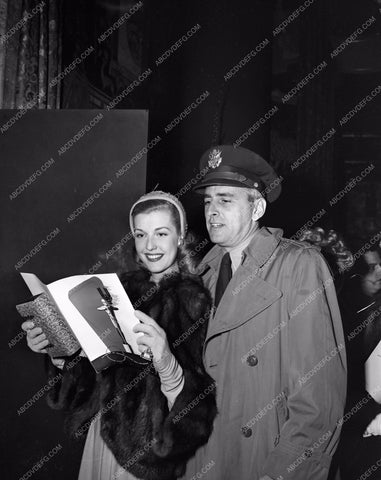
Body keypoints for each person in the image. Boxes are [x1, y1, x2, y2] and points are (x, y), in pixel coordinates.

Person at [22, 191, 217, 480]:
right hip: (103, 439)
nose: (150, 246)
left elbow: (199, 407)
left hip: (146, 457)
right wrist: (57, 349)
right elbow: (91, 379)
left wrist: (166, 363)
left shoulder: (194, 300)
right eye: (140, 235)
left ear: (180, 236)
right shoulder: (117, 290)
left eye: (161, 233)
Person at [181, 145, 347, 480]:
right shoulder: (203, 274)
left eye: (225, 200)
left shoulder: (298, 265)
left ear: (257, 208)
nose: (212, 210)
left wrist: (283, 471)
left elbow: (318, 398)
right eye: (208, 200)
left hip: (261, 461)